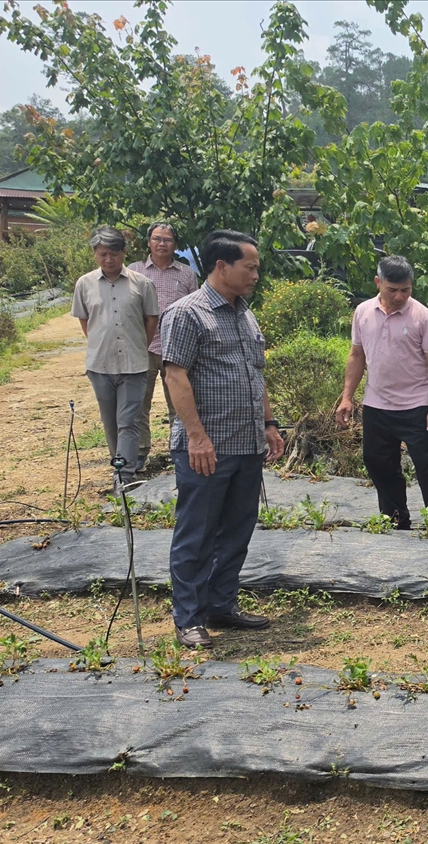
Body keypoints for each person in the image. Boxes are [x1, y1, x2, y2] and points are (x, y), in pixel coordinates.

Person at [160, 230, 285, 648]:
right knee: (197, 533)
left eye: (256, 268)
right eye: (249, 267)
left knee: (236, 529)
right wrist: (196, 436)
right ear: (221, 266)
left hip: (246, 444)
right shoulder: (187, 314)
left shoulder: (244, 312)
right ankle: (189, 618)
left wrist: (269, 425)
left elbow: (256, 372)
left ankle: (221, 605)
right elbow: (174, 374)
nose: (255, 275)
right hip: (207, 448)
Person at [336, 255, 428, 529]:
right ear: (378, 283)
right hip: (377, 405)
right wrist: (347, 397)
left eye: (406, 289)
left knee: (426, 464)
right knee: (378, 462)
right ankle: (395, 517)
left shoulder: (422, 316)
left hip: (416, 405)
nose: (400, 296)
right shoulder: (363, 312)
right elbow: (356, 355)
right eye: (392, 290)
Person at [71, 226, 160, 486]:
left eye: (113, 254)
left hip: (134, 364)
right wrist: (102, 343)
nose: (108, 260)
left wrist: (139, 344)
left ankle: (126, 473)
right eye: (102, 255)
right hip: (100, 365)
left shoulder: (141, 283)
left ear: (124, 252)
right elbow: (86, 321)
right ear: (94, 255)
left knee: (128, 420)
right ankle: (119, 464)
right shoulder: (84, 284)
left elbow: (151, 318)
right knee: (110, 421)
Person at [128, 221, 199, 473]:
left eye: (167, 240)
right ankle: (138, 456)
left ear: (175, 245)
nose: (162, 243)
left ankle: (179, 451)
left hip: (177, 350)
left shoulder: (186, 274)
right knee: (138, 405)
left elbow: (196, 311)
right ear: (148, 241)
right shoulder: (134, 273)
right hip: (143, 348)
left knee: (180, 404)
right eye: (157, 238)